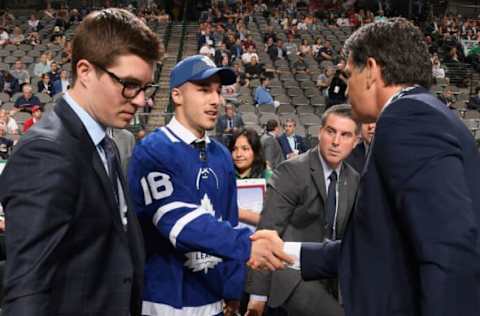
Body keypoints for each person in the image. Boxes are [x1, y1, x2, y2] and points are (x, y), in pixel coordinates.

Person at [251, 17, 480, 316]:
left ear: (370, 70)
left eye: (348, 75)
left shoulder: (407, 119)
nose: (346, 91)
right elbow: (379, 248)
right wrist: (286, 251)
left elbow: (450, 251)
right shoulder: (423, 113)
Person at [0, 8, 161, 315]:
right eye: (128, 84)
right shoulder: (45, 152)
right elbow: (27, 289)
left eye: (145, 87)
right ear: (85, 72)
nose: (140, 99)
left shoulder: (105, 142)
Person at [127, 55, 292, 316]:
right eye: (204, 90)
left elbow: (228, 218)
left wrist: (233, 287)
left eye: (217, 91)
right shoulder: (153, 150)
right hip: (163, 302)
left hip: (214, 300)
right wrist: (248, 245)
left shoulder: (220, 154)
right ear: (177, 95)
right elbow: (177, 221)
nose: (215, 100)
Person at [246, 104, 360, 316]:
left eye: (345, 135)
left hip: (329, 279)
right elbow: (266, 233)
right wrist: (257, 297)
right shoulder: (292, 171)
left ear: (355, 142)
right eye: (331, 132)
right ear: (320, 132)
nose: (336, 142)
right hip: (289, 275)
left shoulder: (353, 179)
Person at [230, 128, 272, 227]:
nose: (238, 154)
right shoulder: (223, 177)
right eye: (234, 149)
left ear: (255, 152)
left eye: (245, 149)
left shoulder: (269, 178)